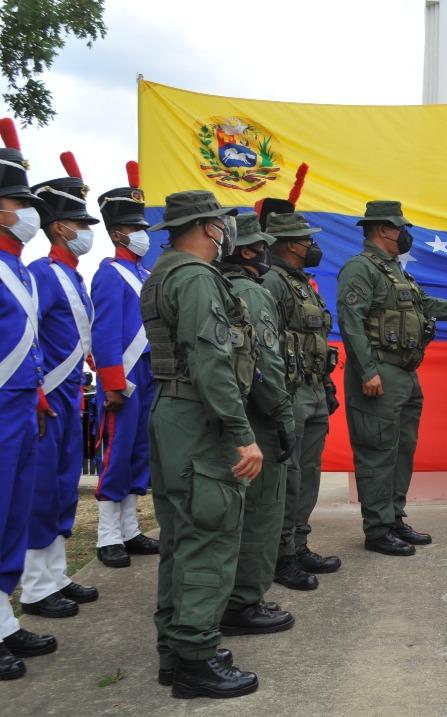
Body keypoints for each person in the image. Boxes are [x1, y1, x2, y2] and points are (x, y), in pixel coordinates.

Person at [143, 190, 261, 698]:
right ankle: (195, 657)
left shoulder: (165, 272)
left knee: (180, 534)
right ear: (207, 227)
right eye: (222, 222)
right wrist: (242, 434)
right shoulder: (194, 278)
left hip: (174, 413)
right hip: (199, 420)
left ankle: (177, 650)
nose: (227, 231)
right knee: (208, 535)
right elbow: (212, 362)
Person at [338, 200, 447, 554]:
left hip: (405, 374)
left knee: (401, 451)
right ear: (384, 229)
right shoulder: (359, 269)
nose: (405, 234)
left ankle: (394, 518)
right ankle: (378, 530)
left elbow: (428, 307)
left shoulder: (396, 272)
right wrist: (367, 370)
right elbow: (351, 323)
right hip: (379, 372)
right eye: (401, 227)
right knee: (377, 451)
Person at [21, 153, 99, 618]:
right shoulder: (42, 275)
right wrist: (37, 389)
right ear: (59, 228)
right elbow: (25, 335)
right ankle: (34, 587)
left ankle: (55, 575)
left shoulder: (71, 274)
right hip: (46, 395)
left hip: (70, 392)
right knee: (42, 490)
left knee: (64, 487)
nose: (84, 230)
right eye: (76, 221)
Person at [217, 213, 297, 636]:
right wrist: (284, 416)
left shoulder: (212, 284)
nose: (268, 251)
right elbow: (267, 360)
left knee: (227, 512)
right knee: (262, 511)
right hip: (258, 417)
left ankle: (225, 596)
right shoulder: (253, 291)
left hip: (223, 415)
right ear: (248, 250)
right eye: (262, 244)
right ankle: (244, 601)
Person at [0, 117, 57, 682]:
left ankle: (2, 619)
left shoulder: (18, 269)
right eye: (18, 201)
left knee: (11, 515)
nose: (26, 211)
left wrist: (36, 390)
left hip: (19, 406)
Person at [261, 207, 340, 589]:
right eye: (307, 239)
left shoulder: (302, 283)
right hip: (289, 393)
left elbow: (314, 340)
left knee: (308, 474)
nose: (312, 245)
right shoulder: (272, 282)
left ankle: (299, 542)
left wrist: (326, 385)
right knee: (287, 478)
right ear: (291, 244)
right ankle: (281, 554)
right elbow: (266, 344)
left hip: (312, 389)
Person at [91, 160, 159, 567]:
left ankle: (130, 529)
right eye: (136, 230)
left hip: (149, 372)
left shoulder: (145, 272)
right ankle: (107, 536)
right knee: (116, 452)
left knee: (139, 451)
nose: (142, 236)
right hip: (125, 377)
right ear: (118, 232)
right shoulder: (109, 274)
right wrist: (113, 382)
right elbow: (105, 333)